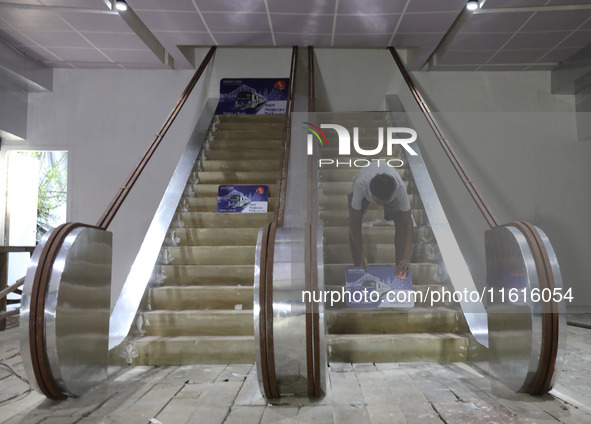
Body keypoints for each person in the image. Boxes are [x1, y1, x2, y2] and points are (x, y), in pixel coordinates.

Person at [348, 163, 413, 277]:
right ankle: (358, 267)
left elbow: (407, 223)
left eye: (384, 202)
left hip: (389, 189)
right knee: (353, 220)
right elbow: (354, 222)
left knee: (400, 222)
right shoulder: (360, 185)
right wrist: (361, 253)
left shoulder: (399, 187)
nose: (380, 205)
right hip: (365, 183)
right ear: (372, 194)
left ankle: (400, 268)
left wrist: (406, 258)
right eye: (378, 201)